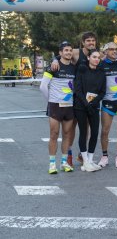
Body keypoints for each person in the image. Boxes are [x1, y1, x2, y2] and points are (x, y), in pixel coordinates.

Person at [51, 32, 98, 166]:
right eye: (88, 41)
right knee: (72, 126)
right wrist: (55, 59)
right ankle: (69, 154)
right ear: (83, 42)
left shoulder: (96, 54)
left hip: (89, 95)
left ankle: (81, 155)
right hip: (76, 95)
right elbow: (62, 54)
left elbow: (110, 58)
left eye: (93, 41)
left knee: (87, 127)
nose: (91, 43)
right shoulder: (76, 53)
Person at [39, 41, 76, 174]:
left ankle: (64, 162)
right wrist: (50, 100)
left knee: (67, 134)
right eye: (66, 50)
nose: (68, 52)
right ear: (60, 53)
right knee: (54, 134)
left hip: (69, 106)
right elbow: (43, 86)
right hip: (55, 106)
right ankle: (52, 164)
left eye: (70, 50)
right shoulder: (53, 67)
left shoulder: (74, 68)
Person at [97, 42, 117, 168]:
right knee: (105, 130)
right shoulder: (101, 64)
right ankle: (104, 156)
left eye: (116, 49)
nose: (115, 51)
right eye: (111, 49)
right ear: (105, 51)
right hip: (108, 101)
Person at [74, 50, 106, 172]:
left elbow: (103, 92)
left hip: (94, 106)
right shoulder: (82, 70)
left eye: (98, 57)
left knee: (95, 133)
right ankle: (85, 161)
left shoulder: (101, 73)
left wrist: (93, 102)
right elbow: (78, 89)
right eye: (94, 57)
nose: (97, 59)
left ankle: (91, 160)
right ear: (88, 58)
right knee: (83, 132)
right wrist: (86, 103)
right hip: (81, 106)